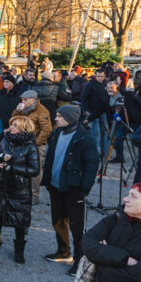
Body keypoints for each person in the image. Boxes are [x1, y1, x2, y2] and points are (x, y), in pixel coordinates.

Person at [42, 104, 100, 266]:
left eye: (59, 116)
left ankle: (79, 260)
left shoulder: (84, 137)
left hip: (74, 188)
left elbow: (91, 164)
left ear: (70, 118)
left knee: (76, 225)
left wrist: (84, 188)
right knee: (58, 221)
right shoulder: (56, 133)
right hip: (55, 185)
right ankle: (63, 252)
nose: (56, 118)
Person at [0, 115, 41, 264]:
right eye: (11, 124)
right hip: (2, 184)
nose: (11, 127)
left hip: (20, 188)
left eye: (15, 125)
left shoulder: (30, 146)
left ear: (23, 127)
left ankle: (19, 250)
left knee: (20, 220)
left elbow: (34, 170)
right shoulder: (5, 140)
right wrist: (1, 158)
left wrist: (12, 167)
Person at [14, 90, 52, 203]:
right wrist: (17, 111)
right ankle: (23, 192)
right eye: (22, 100)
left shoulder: (42, 111)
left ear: (33, 100)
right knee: (21, 168)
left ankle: (34, 195)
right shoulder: (22, 109)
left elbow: (47, 129)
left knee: (35, 170)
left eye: (25, 100)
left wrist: (36, 143)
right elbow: (14, 122)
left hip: (36, 145)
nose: (23, 102)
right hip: (22, 143)